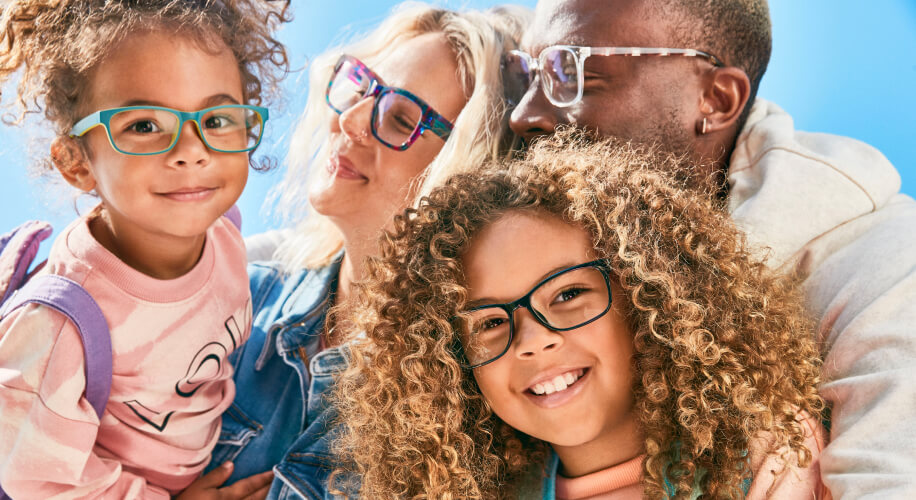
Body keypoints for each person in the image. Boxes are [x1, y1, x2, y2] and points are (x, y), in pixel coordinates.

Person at [505, 0, 916, 497]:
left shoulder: (884, 265)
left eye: (572, 72)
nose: (523, 115)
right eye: (526, 74)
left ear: (716, 99)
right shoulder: (544, 244)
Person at [333, 133, 830, 499]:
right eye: (487, 322)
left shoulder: (768, 457)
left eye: (568, 294)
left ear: (648, 296)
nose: (532, 340)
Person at [205, 3, 530, 498]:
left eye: (401, 118)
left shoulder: (474, 410)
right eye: (361, 86)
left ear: (469, 170)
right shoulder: (233, 298)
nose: (351, 119)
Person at [0, 1, 289, 498]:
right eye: (144, 126)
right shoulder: (57, 325)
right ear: (76, 162)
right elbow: (36, 478)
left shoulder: (224, 230)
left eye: (217, 119)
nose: (191, 150)